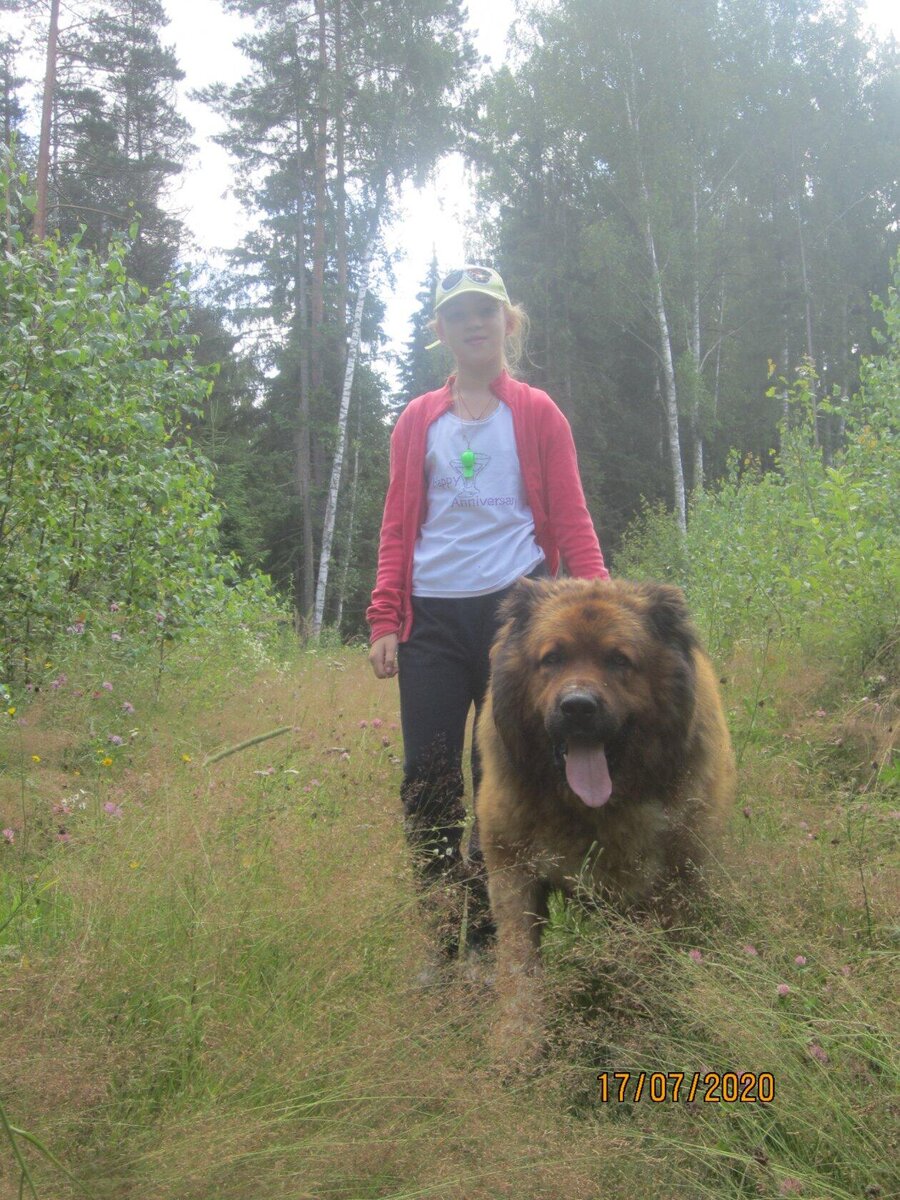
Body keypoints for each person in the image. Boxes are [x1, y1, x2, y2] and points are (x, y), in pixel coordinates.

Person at [367, 264, 609, 967]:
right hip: (432, 620)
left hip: (519, 617)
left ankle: (501, 936)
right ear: (441, 331)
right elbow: (396, 526)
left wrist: (593, 605)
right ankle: (450, 938)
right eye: (459, 313)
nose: (475, 322)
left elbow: (571, 514)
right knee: (428, 779)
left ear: (510, 322)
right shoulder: (418, 420)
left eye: (487, 310)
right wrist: (386, 616)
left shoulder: (536, 413)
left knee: (497, 776)